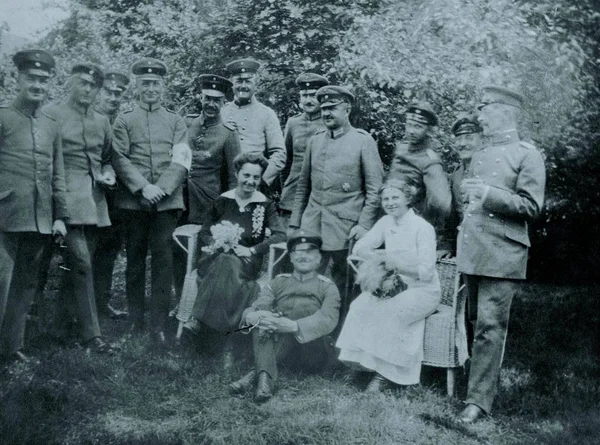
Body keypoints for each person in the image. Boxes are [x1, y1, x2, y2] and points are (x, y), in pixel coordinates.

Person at [456, 85, 546, 423]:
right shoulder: (479, 154)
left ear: (505, 112)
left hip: (502, 252)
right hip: (474, 248)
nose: (479, 116)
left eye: (485, 109)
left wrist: (489, 194)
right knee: (472, 322)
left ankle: (478, 402)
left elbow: (532, 206)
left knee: (490, 328)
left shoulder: (527, 154)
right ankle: (473, 388)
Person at [111, 57, 191, 345]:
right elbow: (119, 158)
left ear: (163, 86)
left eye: (155, 83)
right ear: (137, 85)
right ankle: (135, 320)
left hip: (166, 205)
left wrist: (162, 189)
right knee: (134, 263)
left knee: (163, 263)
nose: (150, 88)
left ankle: (157, 325)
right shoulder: (124, 119)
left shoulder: (175, 120)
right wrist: (143, 188)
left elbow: (182, 160)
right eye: (145, 83)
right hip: (134, 203)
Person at [336, 179, 442, 391]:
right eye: (386, 199)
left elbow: (426, 271)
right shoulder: (385, 222)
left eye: (395, 197)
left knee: (391, 311)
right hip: (392, 285)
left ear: (407, 199)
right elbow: (360, 246)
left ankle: (384, 375)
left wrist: (396, 264)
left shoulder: (423, 228)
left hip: (423, 289)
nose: (390, 203)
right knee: (360, 306)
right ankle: (358, 368)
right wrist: (377, 255)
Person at [183, 152, 285, 367]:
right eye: (246, 175)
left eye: (256, 178)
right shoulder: (223, 200)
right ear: (237, 174)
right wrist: (217, 241)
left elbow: (279, 234)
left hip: (246, 261)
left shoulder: (264, 205)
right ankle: (227, 345)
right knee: (225, 263)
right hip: (215, 256)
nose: (250, 182)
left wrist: (254, 250)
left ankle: (199, 320)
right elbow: (204, 231)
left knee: (229, 265)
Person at [0, 49, 68, 363]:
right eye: (32, 78)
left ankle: (12, 347)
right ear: (18, 78)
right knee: (1, 281)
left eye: (43, 79)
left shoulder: (51, 124)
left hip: (40, 218)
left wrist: (60, 216)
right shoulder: (3, 117)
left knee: (25, 284)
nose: (38, 84)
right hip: (6, 215)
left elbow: (57, 172)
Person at [289, 85, 383, 314]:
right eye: (324, 108)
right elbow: (303, 187)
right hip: (313, 226)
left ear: (347, 109)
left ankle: (337, 342)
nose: (326, 113)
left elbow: (375, 190)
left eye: (332, 107)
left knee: (344, 289)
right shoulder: (315, 140)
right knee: (306, 282)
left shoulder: (363, 141)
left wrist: (363, 225)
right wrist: (295, 224)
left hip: (346, 230)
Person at [43, 63, 115, 352]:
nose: (87, 89)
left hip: (94, 204)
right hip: (65, 200)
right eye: (82, 83)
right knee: (82, 264)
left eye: (93, 85)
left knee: (79, 267)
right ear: (71, 82)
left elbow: (107, 157)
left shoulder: (102, 120)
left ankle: (60, 330)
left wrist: (108, 174)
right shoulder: (53, 114)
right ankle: (92, 336)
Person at [229, 231, 340, 403]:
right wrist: (253, 315)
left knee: (301, 310)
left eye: (310, 252)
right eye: (298, 252)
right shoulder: (277, 282)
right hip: (286, 354)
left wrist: (293, 326)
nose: (303, 256)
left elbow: (328, 319)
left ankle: (254, 374)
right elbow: (260, 303)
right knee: (264, 319)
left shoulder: (327, 287)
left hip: (313, 352)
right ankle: (264, 379)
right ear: (291, 258)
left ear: (319, 258)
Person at [173, 74, 242, 301]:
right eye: (207, 98)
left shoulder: (229, 133)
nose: (211, 104)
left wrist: (231, 211)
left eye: (217, 100)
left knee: (204, 254)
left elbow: (234, 178)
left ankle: (200, 303)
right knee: (178, 250)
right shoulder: (186, 123)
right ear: (200, 97)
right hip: (180, 199)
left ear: (224, 102)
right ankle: (180, 299)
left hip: (207, 202)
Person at [387, 101, 452, 249]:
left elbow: (442, 204)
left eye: (418, 126)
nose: (411, 131)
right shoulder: (401, 149)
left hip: (410, 229)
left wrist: (420, 214)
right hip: (389, 222)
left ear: (428, 130)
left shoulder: (430, 160)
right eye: (409, 124)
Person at [93, 71, 130, 319]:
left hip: (117, 197)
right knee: (84, 251)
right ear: (99, 91)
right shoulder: (89, 118)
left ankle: (100, 301)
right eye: (109, 91)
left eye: (118, 93)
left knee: (108, 250)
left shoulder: (124, 120)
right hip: (91, 194)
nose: (113, 97)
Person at [221, 58, 286, 198]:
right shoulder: (222, 112)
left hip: (255, 185)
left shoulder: (266, 114)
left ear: (256, 84)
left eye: (248, 81)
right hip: (225, 184)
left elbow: (279, 153)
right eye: (239, 81)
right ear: (232, 84)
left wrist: (262, 180)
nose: (243, 86)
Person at [278, 72, 329, 227]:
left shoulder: (330, 123)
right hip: (292, 196)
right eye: (304, 95)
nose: (308, 100)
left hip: (319, 195)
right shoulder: (293, 123)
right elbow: (286, 162)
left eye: (313, 95)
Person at [438, 111, 483, 258]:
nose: (462, 143)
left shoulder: (493, 170)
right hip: (465, 249)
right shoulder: (456, 174)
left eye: (469, 138)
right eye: (458, 138)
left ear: (482, 139)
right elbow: (452, 217)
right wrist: (447, 246)